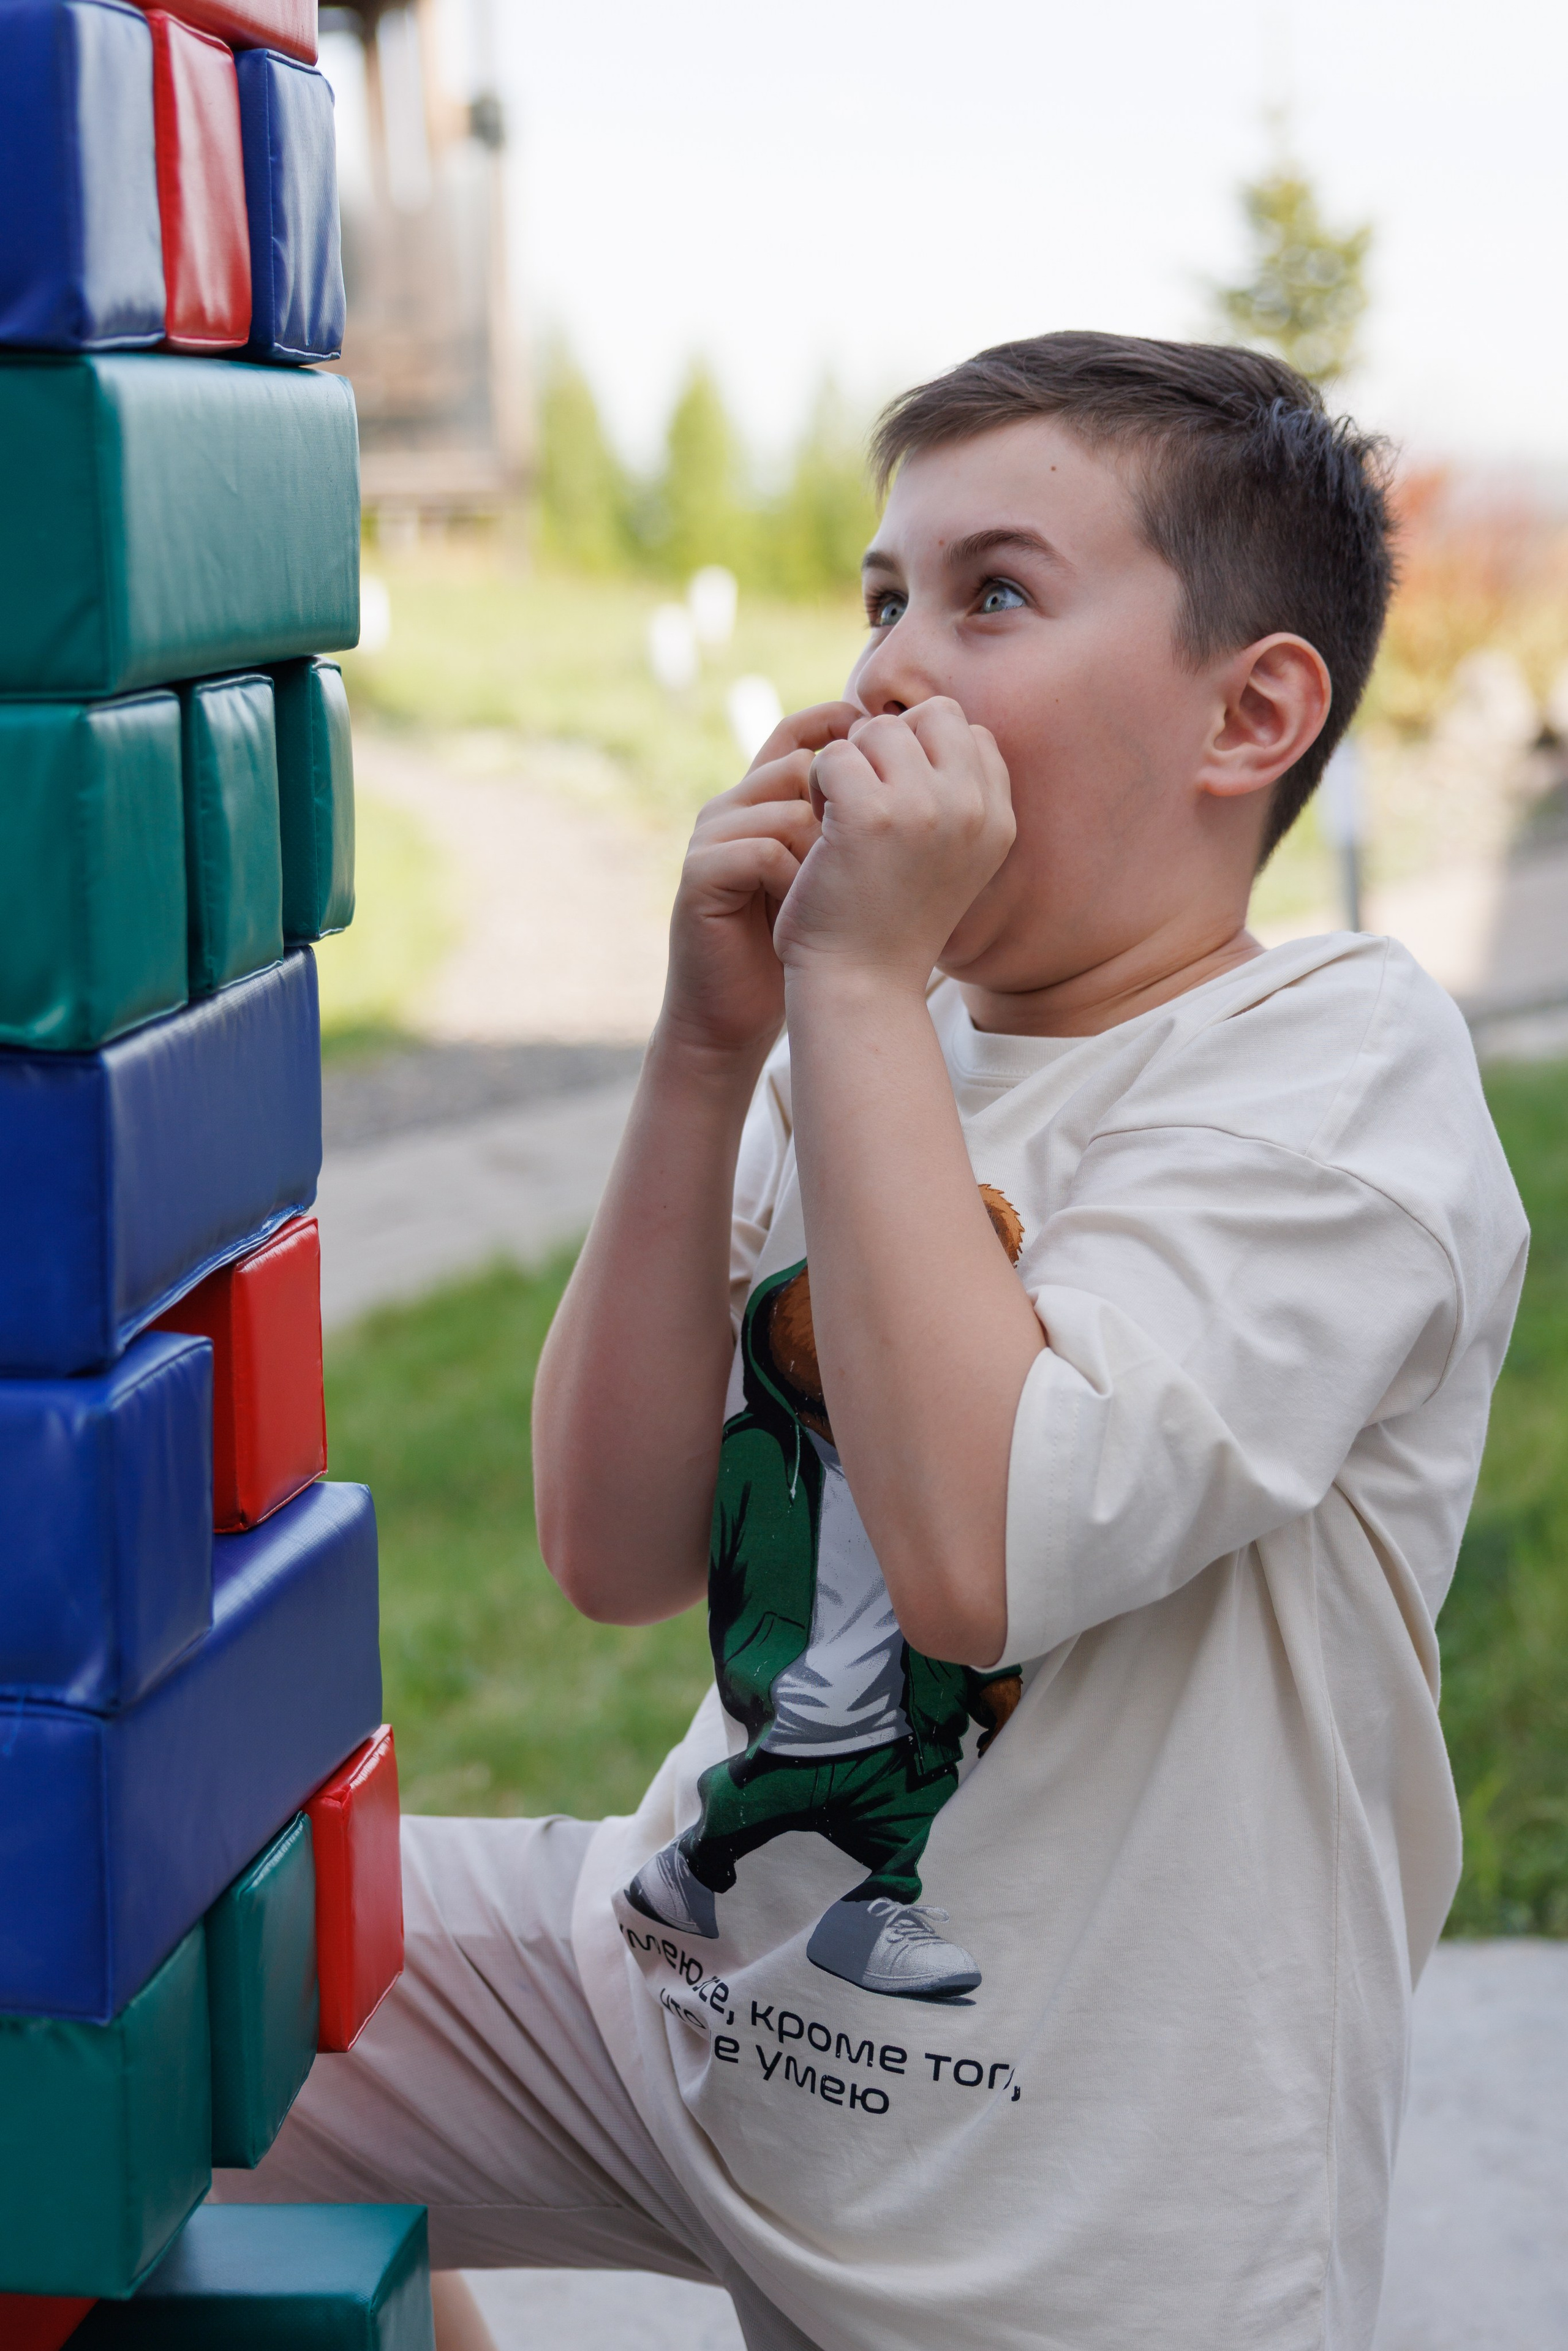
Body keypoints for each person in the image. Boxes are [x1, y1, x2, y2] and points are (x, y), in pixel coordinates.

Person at [214, 333, 1528, 2351]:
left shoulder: (1337, 1073)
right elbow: (614, 1550)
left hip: (1074, 2228)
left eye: (993, 595)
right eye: (881, 597)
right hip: (666, 2008)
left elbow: (987, 1554)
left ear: (1250, 714)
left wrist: (843, 981)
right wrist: (703, 1043)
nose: (894, 668)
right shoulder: (872, 1027)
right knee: (139, 2003)